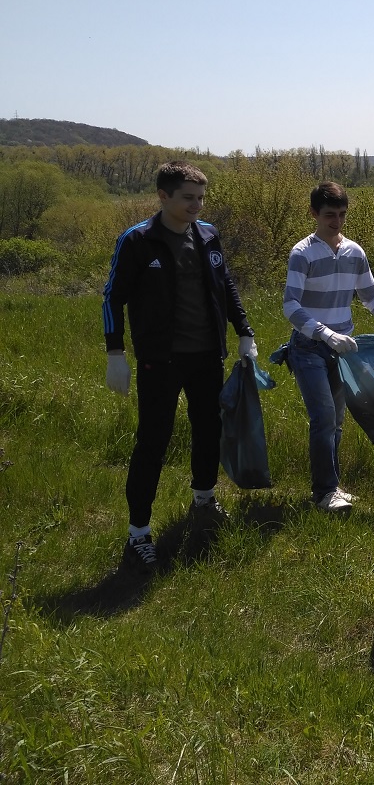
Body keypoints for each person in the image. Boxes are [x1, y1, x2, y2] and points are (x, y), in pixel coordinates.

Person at [102, 160, 258, 575]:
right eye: (188, 197)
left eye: (201, 197)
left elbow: (225, 285)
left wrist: (244, 330)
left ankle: (204, 500)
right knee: (153, 441)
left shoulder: (207, 235)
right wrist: (115, 354)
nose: (196, 204)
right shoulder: (138, 241)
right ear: (164, 196)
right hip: (160, 361)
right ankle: (139, 533)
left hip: (207, 356)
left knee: (209, 429)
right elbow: (111, 298)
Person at [282, 181, 374, 512]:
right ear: (313, 213)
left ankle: (330, 488)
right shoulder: (302, 253)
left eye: (341, 215)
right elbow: (291, 306)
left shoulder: (354, 252)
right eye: (329, 215)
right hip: (309, 348)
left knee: (336, 421)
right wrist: (325, 333)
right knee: (324, 417)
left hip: (342, 352)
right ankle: (325, 492)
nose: (336, 222)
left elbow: (371, 295)